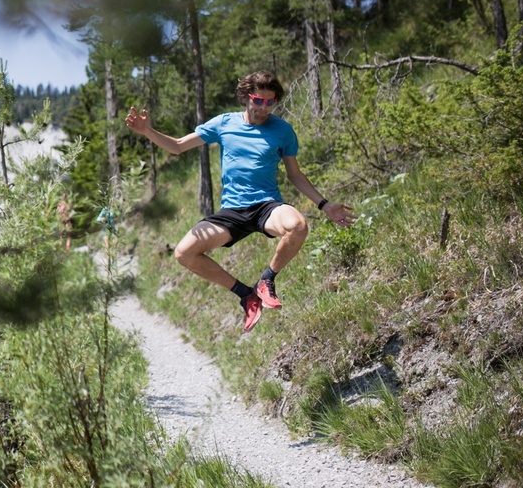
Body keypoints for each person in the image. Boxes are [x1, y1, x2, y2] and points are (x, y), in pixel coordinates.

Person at [125, 71, 355, 333]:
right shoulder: (224, 123)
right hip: (232, 211)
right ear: (247, 97)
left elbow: (294, 175)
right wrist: (147, 131)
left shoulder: (283, 131)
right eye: (258, 100)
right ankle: (246, 295)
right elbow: (177, 146)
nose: (263, 108)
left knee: (298, 225)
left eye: (270, 102)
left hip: (267, 206)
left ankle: (266, 280)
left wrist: (324, 205)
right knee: (184, 253)